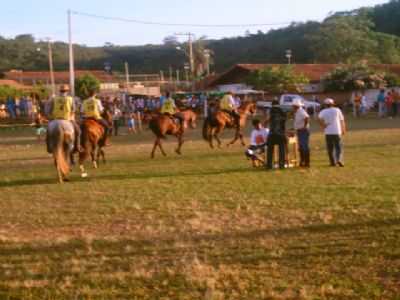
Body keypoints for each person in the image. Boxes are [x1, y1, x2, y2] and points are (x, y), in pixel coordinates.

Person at [48, 85, 81, 153]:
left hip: (55, 120)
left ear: (59, 91)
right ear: (67, 91)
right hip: (67, 119)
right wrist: (71, 115)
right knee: (78, 131)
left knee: (48, 132)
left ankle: (49, 147)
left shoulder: (54, 98)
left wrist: (51, 116)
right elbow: (74, 109)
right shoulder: (70, 99)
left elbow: (50, 110)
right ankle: (77, 147)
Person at [318, 98, 346, 167]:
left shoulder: (323, 111)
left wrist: (323, 125)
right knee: (338, 147)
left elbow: (319, 119)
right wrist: (343, 129)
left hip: (328, 132)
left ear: (325, 105)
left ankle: (332, 162)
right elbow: (342, 120)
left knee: (330, 148)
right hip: (337, 131)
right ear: (333, 104)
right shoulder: (337, 110)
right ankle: (339, 160)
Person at [266, 100, 287, 170]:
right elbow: (284, 121)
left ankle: (269, 165)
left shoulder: (270, 111)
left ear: (272, 105)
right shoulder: (282, 111)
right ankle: (282, 165)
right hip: (280, 133)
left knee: (270, 150)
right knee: (282, 149)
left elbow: (267, 120)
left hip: (272, 133)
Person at [293, 99, 310, 168]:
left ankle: (306, 162)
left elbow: (307, 118)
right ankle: (302, 161)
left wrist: (304, 126)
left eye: (293, 106)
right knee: (301, 147)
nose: (292, 107)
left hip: (303, 131)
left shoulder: (301, 111)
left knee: (304, 147)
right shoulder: (297, 111)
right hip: (300, 131)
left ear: (296, 106)